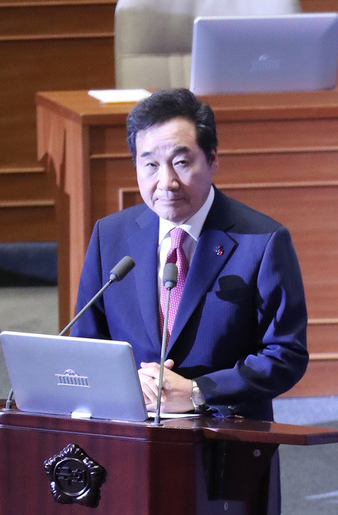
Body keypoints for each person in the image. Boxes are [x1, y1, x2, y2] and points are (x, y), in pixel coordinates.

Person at [74, 87, 308, 421]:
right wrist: (124, 383)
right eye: (151, 165)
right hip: (128, 435)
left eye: (181, 163)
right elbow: (86, 344)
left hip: (224, 436)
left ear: (213, 158)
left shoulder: (262, 240)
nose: (166, 182)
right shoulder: (109, 236)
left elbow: (286, 354)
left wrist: (199, 391)